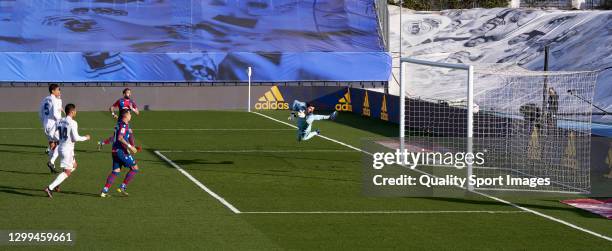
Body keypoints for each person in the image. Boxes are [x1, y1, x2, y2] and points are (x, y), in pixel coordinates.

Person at [44, 104, 90, 198]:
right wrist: (86, 137)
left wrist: (55, 141)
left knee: (74, 165)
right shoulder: (73, 123)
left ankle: (57, 183)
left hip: (62, 148)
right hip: (67, 150)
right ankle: (50, 187)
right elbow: (76, 138)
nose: (76, 112)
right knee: (67, 172)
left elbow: (51, 133)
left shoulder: (59, 121)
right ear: (72, 112)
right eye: (75, 111)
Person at [100, 109, 141, 197]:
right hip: (121, 151)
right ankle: (123, 187)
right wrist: (130, 147)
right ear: (126, 115)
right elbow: (120, 137)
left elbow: (126, 135)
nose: (131, 115)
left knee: (116, 171)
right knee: (135, 168)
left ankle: (104, 191)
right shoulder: (123, 126)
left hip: (115, 151)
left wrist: (133, 146)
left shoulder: (120, 124)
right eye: (130, 114)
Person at [39, 84, 63, 173]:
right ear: (53, 91)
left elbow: (40, 113)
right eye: (58, 90)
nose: (59, 91)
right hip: (54, 124)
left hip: (46, 124)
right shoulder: (55, 100)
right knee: (62, 141)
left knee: (52, 145)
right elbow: (56, 115)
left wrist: (44, 122)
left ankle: (52, 167)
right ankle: (51, 162)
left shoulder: (45, 99)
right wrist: (61, 122)